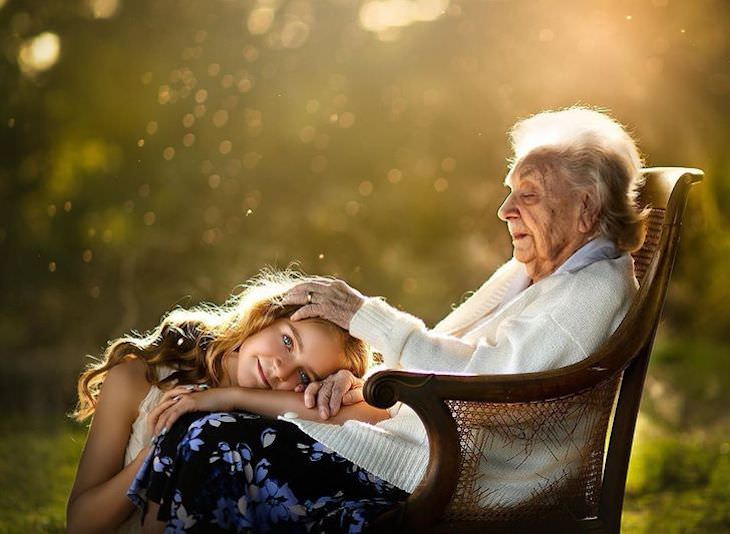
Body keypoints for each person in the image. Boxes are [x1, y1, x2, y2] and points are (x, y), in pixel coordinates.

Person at [132, 106, 646, 531]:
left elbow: (489, 383)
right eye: (510, 192)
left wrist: (365, 317)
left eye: (528, 194)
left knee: (213, 438)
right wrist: (362, 385)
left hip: (454, 477)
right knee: (212, 433)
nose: (505, 210)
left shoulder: (590, 291)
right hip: (421, 449)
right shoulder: (539, 276)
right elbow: (450, 361)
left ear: (586, 207)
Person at [66, 272, 385, 533]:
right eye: (287, 341)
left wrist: (352, 384)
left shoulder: (286, 407)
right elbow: (81, 523)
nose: (281, 370)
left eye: (304, 376)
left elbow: (380, 412)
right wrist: (160, 452)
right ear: (267, 317)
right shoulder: (139, 377)